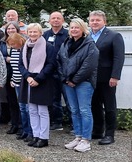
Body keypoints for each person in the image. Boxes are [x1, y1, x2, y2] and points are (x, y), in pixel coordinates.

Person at [58, 19, 99, 153]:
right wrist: (65, 78)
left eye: (77, 28)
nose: (74, 30)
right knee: (74, 110)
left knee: (84, 110)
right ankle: (78, 137)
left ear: (83, 29)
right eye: (72, 28)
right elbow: (59, 61)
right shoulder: (66, 43)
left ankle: (86, 140)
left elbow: (89, 65)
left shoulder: (89, 44)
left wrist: (75, 80)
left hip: (84, 83)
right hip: (68, 82)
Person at [88, 10, 124, 145]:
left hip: (107, 78)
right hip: (90, 78)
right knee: (94, 105)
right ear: (89, 22)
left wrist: (115, 76)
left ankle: (110, 134)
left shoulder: (114, 36)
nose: (95, 22)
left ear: (104, 21)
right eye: (92, 20)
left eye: (98, 20)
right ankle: (97, 131)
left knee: (109, 106)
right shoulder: (87, 36)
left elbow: (118, 57)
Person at [19, 23, 57, 148]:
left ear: (40, 33)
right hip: (28, 80)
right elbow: (21, 65)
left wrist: (38, 79)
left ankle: (43, 137)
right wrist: (28, 77)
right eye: (30, 32)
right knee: (32, 110)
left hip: (43, 81)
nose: (32, 34)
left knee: (42, 110)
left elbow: (51, 65)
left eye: (35, 32)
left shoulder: (48, 47)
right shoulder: (25, 46)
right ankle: (35, 135)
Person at [3, 31, 32, 142]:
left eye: (13, 44)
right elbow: (15, 67)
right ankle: (24, 130)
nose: (12, 46)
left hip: (25, 82)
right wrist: (12, 79)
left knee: (28, 109)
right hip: (16, 82)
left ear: (19, 41)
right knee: (22, 108)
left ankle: (30, 131)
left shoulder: (26, 50)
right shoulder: (14, 51)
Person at [43, 11, 69, 131]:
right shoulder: (45, 35)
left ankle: (73, 124)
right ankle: (57, 122)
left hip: (65, 72)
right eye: (53, 18)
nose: (56, 20)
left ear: (62, 20)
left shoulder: (68, 34)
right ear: (49, 21)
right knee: (54, 99)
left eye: (58, 18)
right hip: (51, 72)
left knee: (69, 99)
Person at [0, 24, 25, 137]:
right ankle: (14, 124)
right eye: (8, 29)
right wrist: (6, 58)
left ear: (17, 30)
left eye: (13, 28)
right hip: (8, 74)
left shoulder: (22, 43)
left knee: (22, 102)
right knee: (11, 101)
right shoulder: (3, 42)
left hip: (20, 75)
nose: (10, 30)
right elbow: (0, 56)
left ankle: (22, 125)